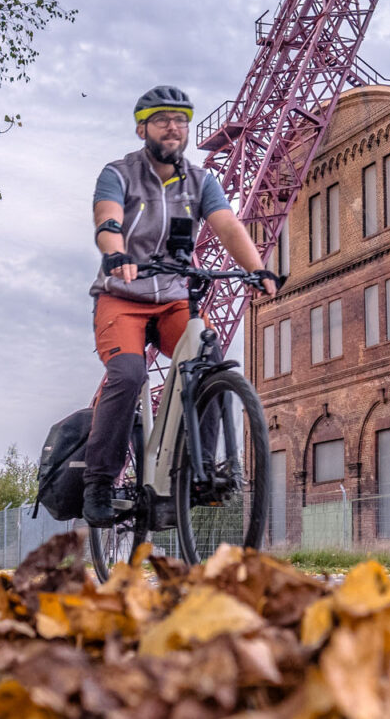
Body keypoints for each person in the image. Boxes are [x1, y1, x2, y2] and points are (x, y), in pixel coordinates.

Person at [85, 85, 277, 527]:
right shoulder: (118, 173)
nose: (173, 128)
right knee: (129, 374)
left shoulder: (200, 181)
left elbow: (227, 224)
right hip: (123, 296)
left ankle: (198, 472)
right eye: (162, 120)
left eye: (181, 121)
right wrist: (115, 251)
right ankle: (99, 481)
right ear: (142, 129)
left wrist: (257, 268)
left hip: (174, 297)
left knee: (209, 361)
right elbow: (107, 217)